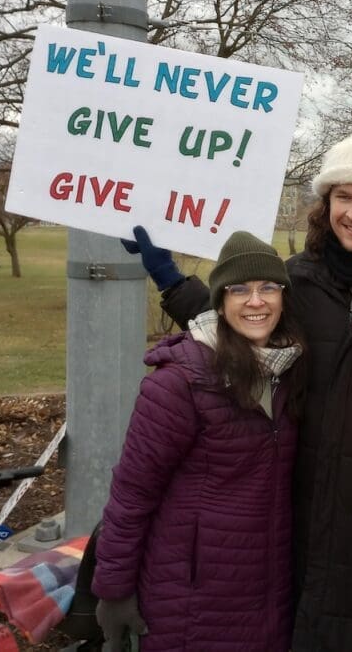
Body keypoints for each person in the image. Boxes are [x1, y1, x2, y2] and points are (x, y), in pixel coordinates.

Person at [123, 130, 352, 651]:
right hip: (292, 518)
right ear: (325, 204)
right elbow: (241, 328)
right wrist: (168, 278)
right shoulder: (299, 277)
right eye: (343, 196)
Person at [91, 232, 307, 652]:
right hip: (190, 602)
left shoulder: (290, 373)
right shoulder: (179, 383)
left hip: (268, 597)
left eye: (268, 288)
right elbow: (131, 496)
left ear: (284, 298)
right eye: (239, 289)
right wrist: (113, 591)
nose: (255, 301)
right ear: (220, 302)